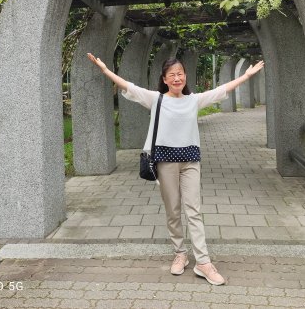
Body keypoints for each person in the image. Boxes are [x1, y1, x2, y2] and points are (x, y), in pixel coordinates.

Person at [87, 52, 264, 285]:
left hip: (190, 161)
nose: (177, 78)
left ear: (185, 77)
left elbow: (223, 90)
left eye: (180, 73)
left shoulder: (194, 100)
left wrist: (247, 75)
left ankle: (203, 262)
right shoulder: (156, 99)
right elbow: (129, 86)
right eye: (172, 74)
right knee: (173, 210)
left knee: (194, 210)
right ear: (164, 79)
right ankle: (180, 254)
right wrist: (105, 70)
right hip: (165, 162)